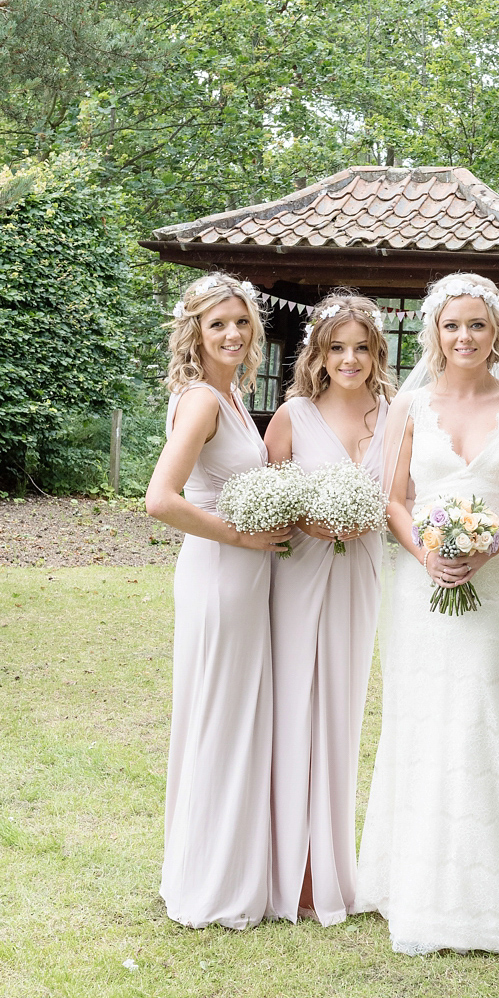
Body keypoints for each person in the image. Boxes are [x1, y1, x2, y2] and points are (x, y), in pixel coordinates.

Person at [354, 273, 499, 956]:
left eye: (476, 325)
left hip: (497, 585)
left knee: (476, 711)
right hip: (420, 583)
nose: (464, 337)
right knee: (424, 714)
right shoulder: (410, 407)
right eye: (451, 326)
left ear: (497, 331)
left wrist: (492, 541)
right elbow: (393, 499)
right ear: (434, 335)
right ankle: (412, 881)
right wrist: (429, 553)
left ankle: (488, 888)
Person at [146, 273, 290, 929]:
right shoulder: (202, 400)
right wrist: (241, 535)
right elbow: (160, 498)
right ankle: (208, 884)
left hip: (244, 574)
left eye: (240, 323)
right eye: (217, 325)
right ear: (195, 334)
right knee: (218, 718)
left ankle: (219, 865)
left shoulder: (232, 393)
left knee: (232, 718)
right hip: (219, 573)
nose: (231, 334)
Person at [264, 292, 393, 926]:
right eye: (337, 347)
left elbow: (405, 500)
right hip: (299, 575)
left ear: (377, 354)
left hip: (360, 575)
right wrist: (305, 520)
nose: (349, 359)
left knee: (341, 711)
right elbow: (263, 502)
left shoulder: (394, 417)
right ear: (317, 352)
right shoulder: (293, 415)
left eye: (361, 348)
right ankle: (288, 868)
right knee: (293, 708)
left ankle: (331, 867)